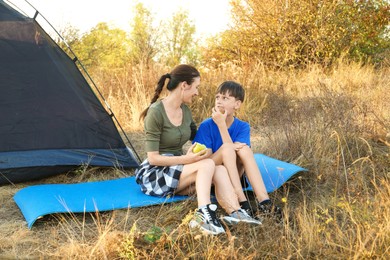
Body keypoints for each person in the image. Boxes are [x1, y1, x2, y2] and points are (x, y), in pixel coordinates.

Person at [135, 65, 260, 236]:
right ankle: (203, 215)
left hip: (179, 170)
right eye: (196, 87)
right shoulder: (156, 112)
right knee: (206, 164)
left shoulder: (185, 111)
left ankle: (236, 212)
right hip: (157, 173)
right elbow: (153, 159)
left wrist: (227, 142)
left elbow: (200, 137)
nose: (197, 92)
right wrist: (189, 159)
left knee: (219, 168)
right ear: (184, 85)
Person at [193, 80, 283, 221]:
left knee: (245, 150)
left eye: (225, 98)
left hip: (235, 173)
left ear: (237, 104)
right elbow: (209, 158)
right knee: (228, 148)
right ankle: (242, 201)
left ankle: (264, 202)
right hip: (215, 173)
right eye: (217, 97)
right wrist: (221, 125)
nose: (219, 101)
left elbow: (236, 153)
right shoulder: (207, 125)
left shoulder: (242, 126)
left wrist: (223, 127)